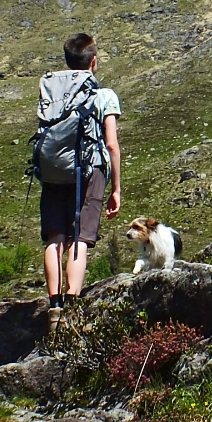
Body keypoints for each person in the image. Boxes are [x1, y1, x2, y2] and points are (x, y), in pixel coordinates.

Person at [40, 33, 121, 320]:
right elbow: (111, 144)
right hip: (90, 171)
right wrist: (116, 189)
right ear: (94, 61)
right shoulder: (104, 95)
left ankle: (54, 305)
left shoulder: (52, 92)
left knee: (55, 238)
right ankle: (72, 307)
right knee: (80, 238)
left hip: (53, 172)